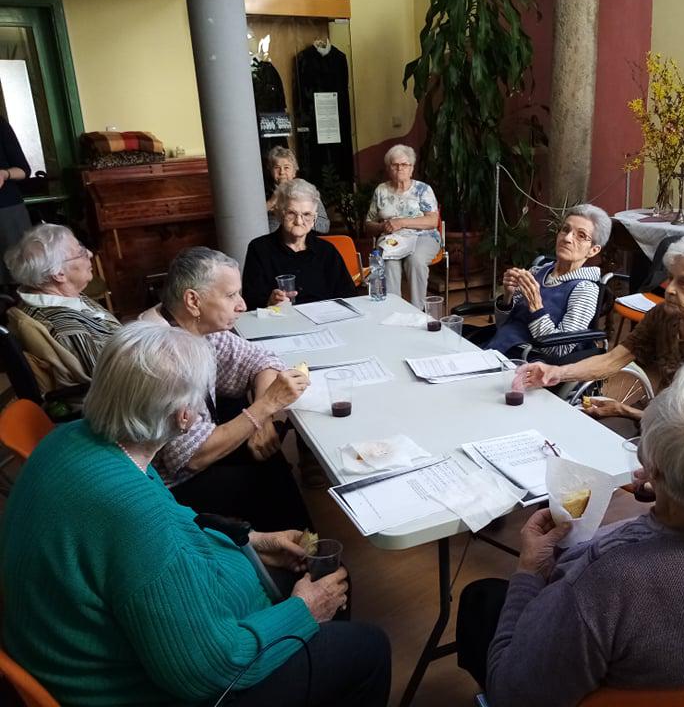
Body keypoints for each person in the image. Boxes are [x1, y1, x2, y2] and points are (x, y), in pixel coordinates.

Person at [0, 322, 391, 707]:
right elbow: (208, 670)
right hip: (132, 689)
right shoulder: (131, 512)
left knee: (313, 573)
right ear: (184, 418)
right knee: (366, 648)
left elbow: (168, 524)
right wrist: (304, 611)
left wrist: (255, 542)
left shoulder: (73, 439)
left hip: (68, 651)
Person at [457, 349, 684, 706]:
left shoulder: (605, 584)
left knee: (482, 599)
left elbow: (513, 696)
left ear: (652, 469)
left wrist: (529, 571)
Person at [145, 246, 312, 531]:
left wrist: (262, 421)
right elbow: (191, 457)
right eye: (231, 295)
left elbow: (262, 360)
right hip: (165, 488)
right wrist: (265, 407)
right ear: (193, 301)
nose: (242, 305)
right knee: (270, 483)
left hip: (195, 454)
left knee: (269, 454)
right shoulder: (162, 354)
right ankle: (296, 548)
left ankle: (295, 543)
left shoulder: (192, 326)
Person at [528, 231, 684, 423]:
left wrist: (628, 411)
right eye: (671, 278)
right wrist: (555, 373)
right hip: (662, 420)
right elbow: (612, 360)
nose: (669, 289)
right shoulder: (665, 315)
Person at [481, 204, 610, 360]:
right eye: (565, 230)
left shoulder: (585, 289)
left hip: (528, 361)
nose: (567, 238)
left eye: (581, 235)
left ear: (593, 250)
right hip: (499, 347)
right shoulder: (538, 271)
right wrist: (507, 296)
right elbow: (502, 325)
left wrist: (536, 307)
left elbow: (560, 349)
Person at [4, 223, 120, 382]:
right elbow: (113, 379)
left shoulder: (62, 298)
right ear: (59, 274)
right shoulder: (65, 327)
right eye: (80, 252)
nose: (90, 254)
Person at [243, 178, 356, 308]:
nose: (299, 221)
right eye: (291, 213)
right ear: (279, 214)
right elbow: (250, 301)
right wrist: (269, 302)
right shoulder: (259, 249)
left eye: (306, 214)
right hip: (281, 318)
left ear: (314, 218)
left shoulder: (327, 251)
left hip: (325, 317)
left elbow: (349, 295)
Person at [364, 144, 440, 309]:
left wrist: (402, 222)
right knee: (389, 262)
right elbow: (368, 224)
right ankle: (395, 310)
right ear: (388, 168)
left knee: (416, 260)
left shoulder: (423, 189)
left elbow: (432, 221)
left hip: (423, 236)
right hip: (391, 238)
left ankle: (418, 310)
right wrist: (383, 227)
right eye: (395, 164)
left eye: (404, 164)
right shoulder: (381, 191)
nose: (400, 168)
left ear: (411, 168)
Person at [265, 146, 330, 233]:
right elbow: (255, 226)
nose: (282, 172)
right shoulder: (262, 193)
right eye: (277, 167)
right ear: (270, 170)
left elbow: (324, 226)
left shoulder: (307, 191)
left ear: (294, 171)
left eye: (286, 167)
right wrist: (271, 203)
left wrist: (300, 219)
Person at [0, 115, 32, 289]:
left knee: (19, 276)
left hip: (6, 210)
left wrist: (4, 174)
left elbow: (24, 170)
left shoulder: (0, 124)